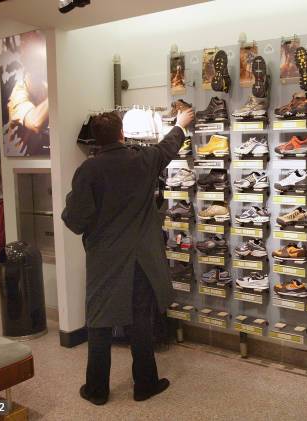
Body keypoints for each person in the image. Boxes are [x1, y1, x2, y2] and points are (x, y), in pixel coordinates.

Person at [62, 108, 194, 406]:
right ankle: (145, 384)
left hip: (104, 259)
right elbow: (167, 148)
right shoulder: (142, 159)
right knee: (140, 322)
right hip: (140, 258)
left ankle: (96, 390)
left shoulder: (89, 170)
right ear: (122, 133)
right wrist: (180, 124)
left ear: (95, 139)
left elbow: (75, 221)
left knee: (99, 324)